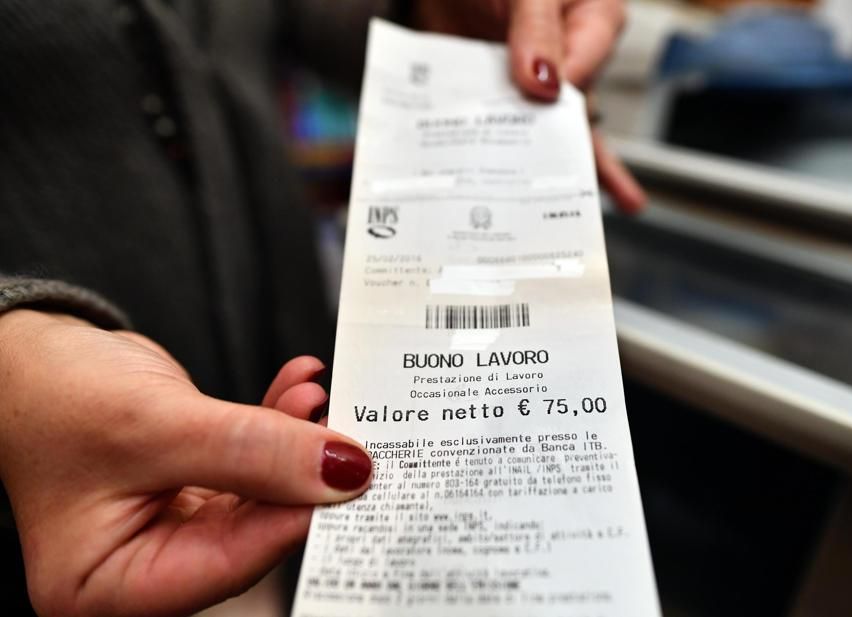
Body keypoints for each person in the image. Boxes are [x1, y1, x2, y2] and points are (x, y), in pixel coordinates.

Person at [0, 1, 640, 615]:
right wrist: (13, 356)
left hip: (287, 400)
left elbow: (284, 15)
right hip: (56, 482)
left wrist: (430, 14)